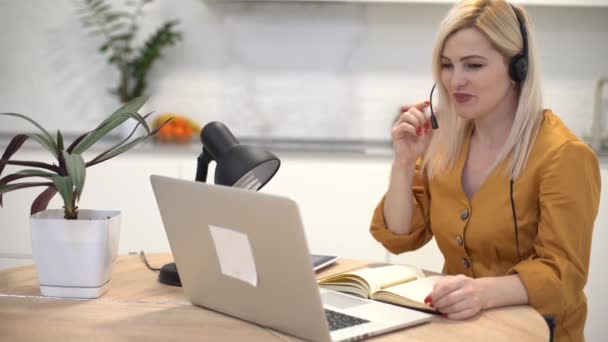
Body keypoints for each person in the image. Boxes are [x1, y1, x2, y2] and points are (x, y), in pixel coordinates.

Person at [369, 1, 601, 341]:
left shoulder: (563, 156)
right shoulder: (444, 141)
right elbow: (400, 234)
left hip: (537, 333)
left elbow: (562, 275)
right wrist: (403, 164)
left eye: (473, 65)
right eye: (447, 66)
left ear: (517, 68)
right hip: (458, 329)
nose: (455, 80)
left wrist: (481, 293)